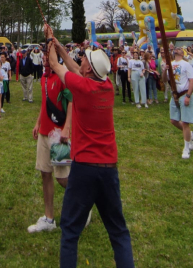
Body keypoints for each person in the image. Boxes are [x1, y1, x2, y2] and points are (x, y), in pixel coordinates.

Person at [47, 30, 135, 268]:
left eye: (84, 57)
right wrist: (59, 44)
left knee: (70, 231)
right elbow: (75, 68)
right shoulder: (105, 85)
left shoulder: (82, 86)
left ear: (87, 70)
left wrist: (49, 44)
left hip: (84, 168)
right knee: (118, 231)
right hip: (108, 168)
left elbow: (55, 64)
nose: (81, 58)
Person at [28, 53, 72, 233]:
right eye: (44, 57)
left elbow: (71, 102)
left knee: (62, 178)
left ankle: (83, 204)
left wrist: (67, 128)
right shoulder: (44, 78)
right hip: (44, 134)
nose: (44, 59)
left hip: (58, 134)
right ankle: (49, 218)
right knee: (45, 174)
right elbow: (45, 104)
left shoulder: (62, 76)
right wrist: (38, 123)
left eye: (47, 56)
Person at [168, 48, 193, 159]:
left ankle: (186, 148)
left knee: (185, 123)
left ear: (182, 53)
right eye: (176, 48)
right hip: (175, 95)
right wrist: (165, 69)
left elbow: (192, 81)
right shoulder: (170, 64)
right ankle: (192, 135)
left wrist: (188, 96)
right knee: (173, 120)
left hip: (184, 94)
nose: (177, 50)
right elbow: (165, 79)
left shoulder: (186, 65)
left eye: (179, 49)